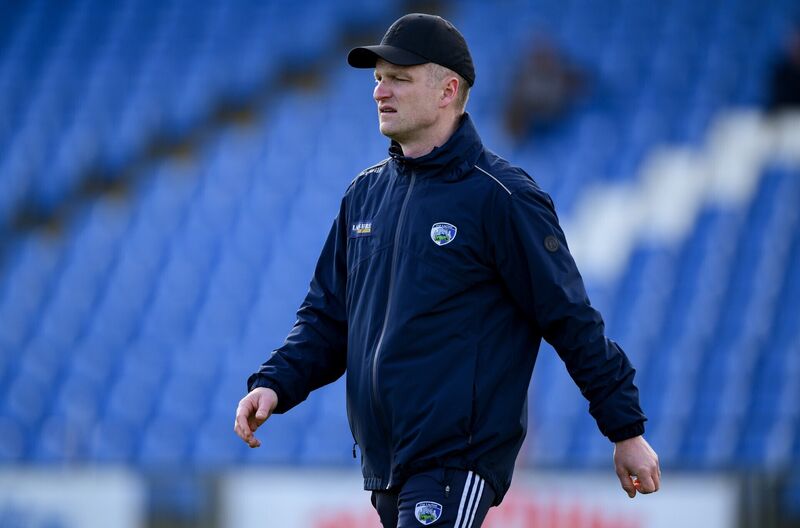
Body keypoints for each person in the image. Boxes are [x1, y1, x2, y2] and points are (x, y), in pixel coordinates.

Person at [235, 13, 660, 528]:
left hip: (455, 459)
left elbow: (569, 317)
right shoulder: (363, 196)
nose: (379, 92)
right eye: (377, 79)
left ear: (447, 90)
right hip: (385, 464)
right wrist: (275, 383)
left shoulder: (502, 197)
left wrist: (625, 430)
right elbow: (327, 318)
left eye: (399, 78)